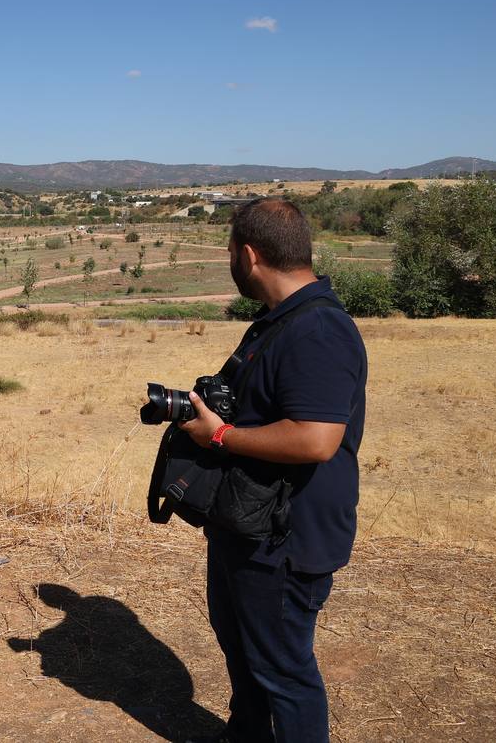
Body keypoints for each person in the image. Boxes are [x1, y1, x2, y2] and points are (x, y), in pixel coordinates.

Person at [178, 198, 367, 743]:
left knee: (283, 669)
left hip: (287, 539)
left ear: (250, 255)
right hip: (249, 525)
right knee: (246, 652)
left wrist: (219, 435)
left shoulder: (318, 331)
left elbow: (316, 438)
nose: (231, 263)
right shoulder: (277, 324)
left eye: (231, 253)